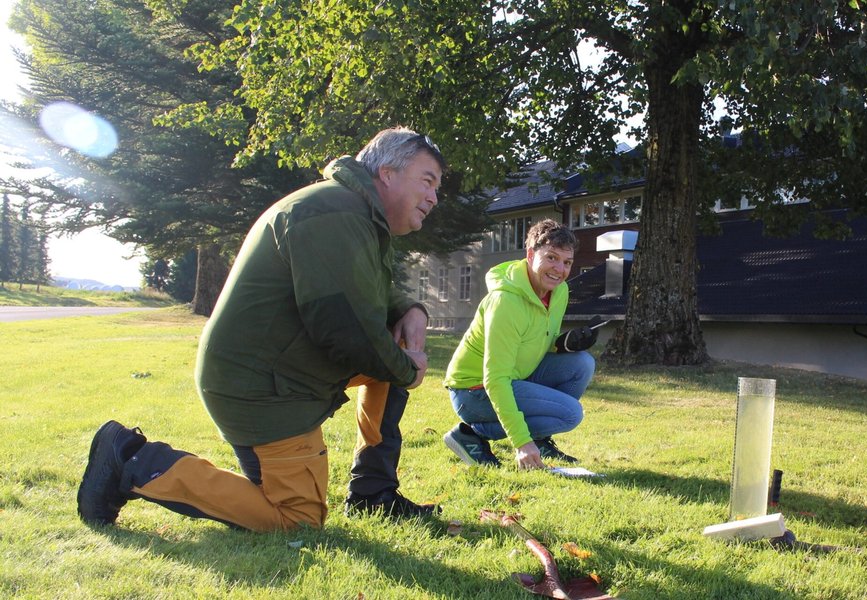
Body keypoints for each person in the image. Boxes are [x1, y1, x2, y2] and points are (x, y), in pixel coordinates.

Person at [77, 127, 446, 531]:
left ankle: (372, 494)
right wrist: (409, 368)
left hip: (276, 373)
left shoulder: (351, 212)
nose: (433, 198)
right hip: (262, 390)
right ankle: (133, 459)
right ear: (388, 173)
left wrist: (410, 311)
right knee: (297, 519)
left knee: (392, 357)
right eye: (427, 181)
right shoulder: (335, 213)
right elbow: (345, 330)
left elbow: (358, 290)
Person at [442, 219, 598, 469]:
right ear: (530, 254)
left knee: (582, 364)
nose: (559, 269)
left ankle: (540, 439)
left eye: (566, 262)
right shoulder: (505, 302)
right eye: (551, 258)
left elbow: (534, 340)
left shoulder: (559, 292)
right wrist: (521, 442)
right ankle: (472, 433)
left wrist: (564, 344)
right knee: (570, 413)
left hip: (516, 377)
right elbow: (495, 378)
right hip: (473, 390)